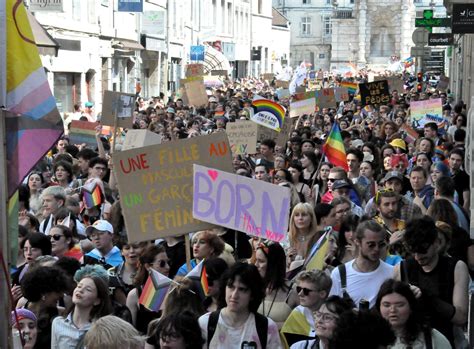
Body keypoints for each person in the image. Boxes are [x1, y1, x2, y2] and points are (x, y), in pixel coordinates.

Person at [394, 216, 469, 346]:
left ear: (436, 243)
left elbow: (461, 317)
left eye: (423, 250)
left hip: (445, 342)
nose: (418, 257)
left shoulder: (456, 267)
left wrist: (426, 297)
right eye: (413, 251)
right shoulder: (402, 268)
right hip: (412, 343)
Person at [198, 262, 282, 348]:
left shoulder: (267, 327)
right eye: (231, 287)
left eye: (242, 289)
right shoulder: (206, 323)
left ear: (252, 294)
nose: (234, 295)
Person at [329, 220, 393, 308]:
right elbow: (332, 310)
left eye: (381, 244)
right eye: (371, 245)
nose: (377, 249)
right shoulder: (339, 274)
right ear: (357, 242)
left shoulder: (392, 272)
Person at [376, 279, 451, 348]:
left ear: (411, 307)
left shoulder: (432, 338)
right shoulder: (371, 338)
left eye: (400, 305)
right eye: (386, 305)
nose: (393, 310)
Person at [51, 274, 113, 348]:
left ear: (97, 301)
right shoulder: (58, 322)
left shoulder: (102, 329)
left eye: (88, 289)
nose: (80, 290)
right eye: (79, 286)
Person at [281, 270, 332, 346]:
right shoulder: (297, 313)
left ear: (322, 294)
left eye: (306, 291)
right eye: (298, 289)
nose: (300, 294)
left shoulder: (335, 318)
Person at [126, 244, 171, 332]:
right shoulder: (134, 295)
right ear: (148, 267)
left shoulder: (174, 290)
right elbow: (130, 331)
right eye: (162, 263)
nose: (168, 267)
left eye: (168, 262)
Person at [290, 296, 355, 349]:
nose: (319, 320)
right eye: (318, 315)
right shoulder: (300, 347)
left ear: (343, 323)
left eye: (327, 317)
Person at [254, 242, 293, 328]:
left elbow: (301, 325)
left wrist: (273, 326)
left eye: (261, 261)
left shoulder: (294, 290)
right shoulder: (253, 286)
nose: (256, 264)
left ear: (273, 264)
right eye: (256, 260)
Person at [287, 203, 319, 269]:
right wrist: (287, 258)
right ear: (293, 219)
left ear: (311, 218)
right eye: (297, 215)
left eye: (304, 215)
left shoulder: (319, 237)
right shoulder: (287, 238)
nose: (300, 218)